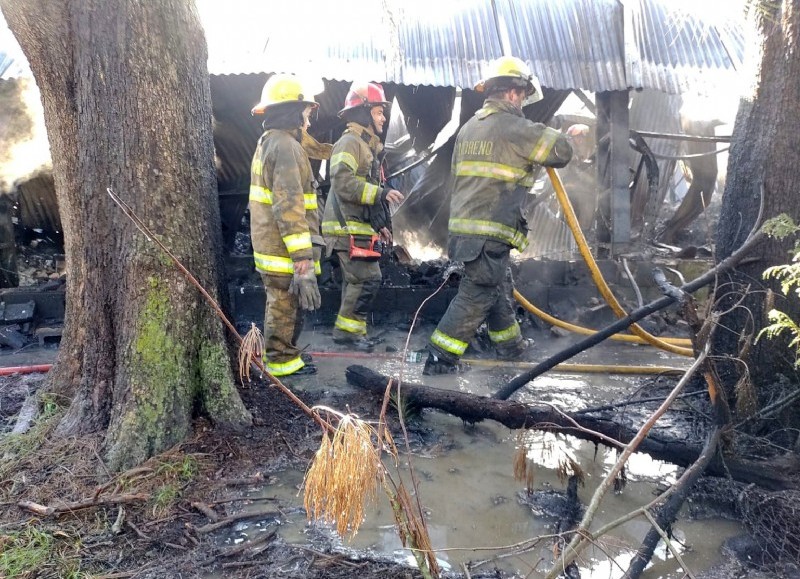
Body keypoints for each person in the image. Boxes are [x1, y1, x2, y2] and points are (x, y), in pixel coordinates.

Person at [423, 56, 573, 375]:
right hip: (489, 231)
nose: (522, 103)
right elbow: (562, 151)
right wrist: (564, 131)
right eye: (523, 95)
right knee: (477, 293)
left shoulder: (469, 129)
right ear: (513, 92)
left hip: (466, 231)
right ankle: (439, 358)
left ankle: (510, 346)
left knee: (498, 285)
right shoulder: (514, 127)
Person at [249, 73, 327, 377]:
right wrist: (302, 260)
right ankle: (281, 362)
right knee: (283, 303)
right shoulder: (285, 147)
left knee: (283, 301)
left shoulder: (270, 142)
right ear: (292, 111)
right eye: (305, 113)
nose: (308, 121)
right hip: (283, 249)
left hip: (273, 244)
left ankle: (287, 354)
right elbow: (289, 206)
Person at [321, 82, 405, 352]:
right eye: (379, 112)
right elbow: (343, 183)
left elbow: (365, 192)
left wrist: (379, 225)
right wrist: (381, 193)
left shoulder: (366, 147)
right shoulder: (349, 143)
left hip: (355, 227)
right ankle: (347, 334)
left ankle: (351, 333)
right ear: (364, 113)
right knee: (368, 279)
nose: (383, 118)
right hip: (344, 228)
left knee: (357, 281)